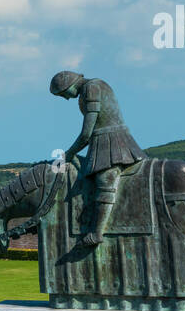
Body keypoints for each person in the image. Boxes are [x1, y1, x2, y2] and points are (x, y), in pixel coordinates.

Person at [50, 70, 147, 246]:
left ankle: (97, 233)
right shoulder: (90, 88)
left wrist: (69, 153)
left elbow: (86, 134)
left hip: (111, 142)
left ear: (70, 84)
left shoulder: (91, 88)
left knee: (105, 182)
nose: (65, 99)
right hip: (103, 141)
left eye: (63, 94)